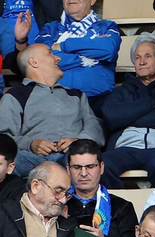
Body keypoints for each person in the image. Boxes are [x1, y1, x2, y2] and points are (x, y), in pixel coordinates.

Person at [0, 44, 102, 178]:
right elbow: (3, 138)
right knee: (6, 161)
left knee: (86, 157)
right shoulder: (15, 95)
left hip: (71, 157)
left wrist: (78, 142)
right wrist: (30, 144)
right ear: (33, 62)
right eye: (50, 53)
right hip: (30, 158)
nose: (58, 58)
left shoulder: (76, 95)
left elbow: (94, 125)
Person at [101, 39, 155, 186]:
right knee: (102, 165)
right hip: (124, 147)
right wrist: (152, 106)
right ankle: (117, 201)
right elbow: (111, 116)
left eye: (148, 56)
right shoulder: (121, 91)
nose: (142, 61)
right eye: (137, 57)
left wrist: (127, 117)